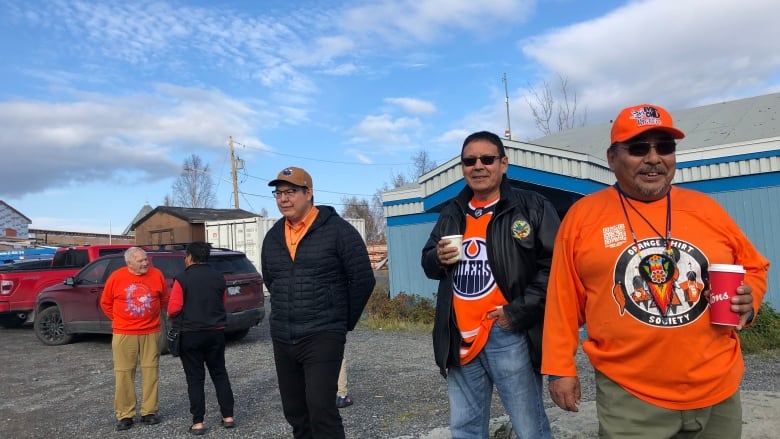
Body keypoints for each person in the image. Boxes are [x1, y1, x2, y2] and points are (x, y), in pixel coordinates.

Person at [542, 104, 771, 437]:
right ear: (611, 157)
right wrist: (559, 369)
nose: (653, 158)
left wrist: (750, 300)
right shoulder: (583, 217)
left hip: (718, 387)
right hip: (630, 397)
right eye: (638, 148)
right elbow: (562, 300)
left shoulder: (706, 209)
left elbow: (753, 266)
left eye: (664, 147)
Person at [421, 131, 559, 438]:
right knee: (465, 429)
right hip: (460, 336)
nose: (478, 166)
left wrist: (517, 312)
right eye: (470, 161)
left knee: (529, 427)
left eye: (487, 159)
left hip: (507, 332)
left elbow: (555, 268)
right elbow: (427, 261)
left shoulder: (531, 206)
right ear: (463, 167)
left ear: (504, 164)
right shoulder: (452, 212)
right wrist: (437, 258)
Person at [261, 166, 376, 439]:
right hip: (283, 336)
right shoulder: (273, 236)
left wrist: (340, 322)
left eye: (290, 192)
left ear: (309, 193)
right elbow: (272, 281)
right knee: (295, 411)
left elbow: (362, 280)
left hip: (322, 334)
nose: (283, 199)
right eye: (278, 194)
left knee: (321, 408)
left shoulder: (338, 231)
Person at [167, 242, 236, 435]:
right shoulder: (219, 277)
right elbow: (221, 303)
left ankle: (198, 422)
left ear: (189, 257)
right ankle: (228, 416)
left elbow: (174, 308)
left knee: (195, 378)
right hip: (215, 332)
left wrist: (169, 317)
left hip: (190, 334)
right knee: (220, 374)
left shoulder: (182, 278)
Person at [100, 246, 169, 431]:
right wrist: (121, 320)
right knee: (123, 374)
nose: (145, 263)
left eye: (146, 259)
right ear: (129, 262)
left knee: (151, 373)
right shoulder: (116, 277)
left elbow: (163, 300)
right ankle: (125, 415)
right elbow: (106, 303)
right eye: (140, 261)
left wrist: (151, 318)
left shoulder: (157, 274)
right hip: (124, 334)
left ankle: (149, 412)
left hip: (151, 332)